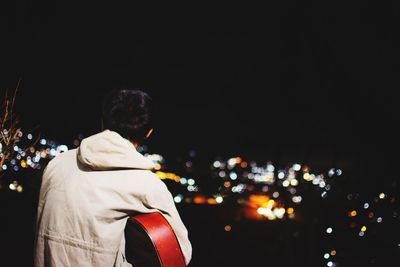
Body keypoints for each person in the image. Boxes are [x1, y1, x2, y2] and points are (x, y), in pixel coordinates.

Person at [34, 89, 192, 266]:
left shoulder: (56, 165)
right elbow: (179, 254)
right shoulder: (147, 184)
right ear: (148, 132)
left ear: (102, 123)